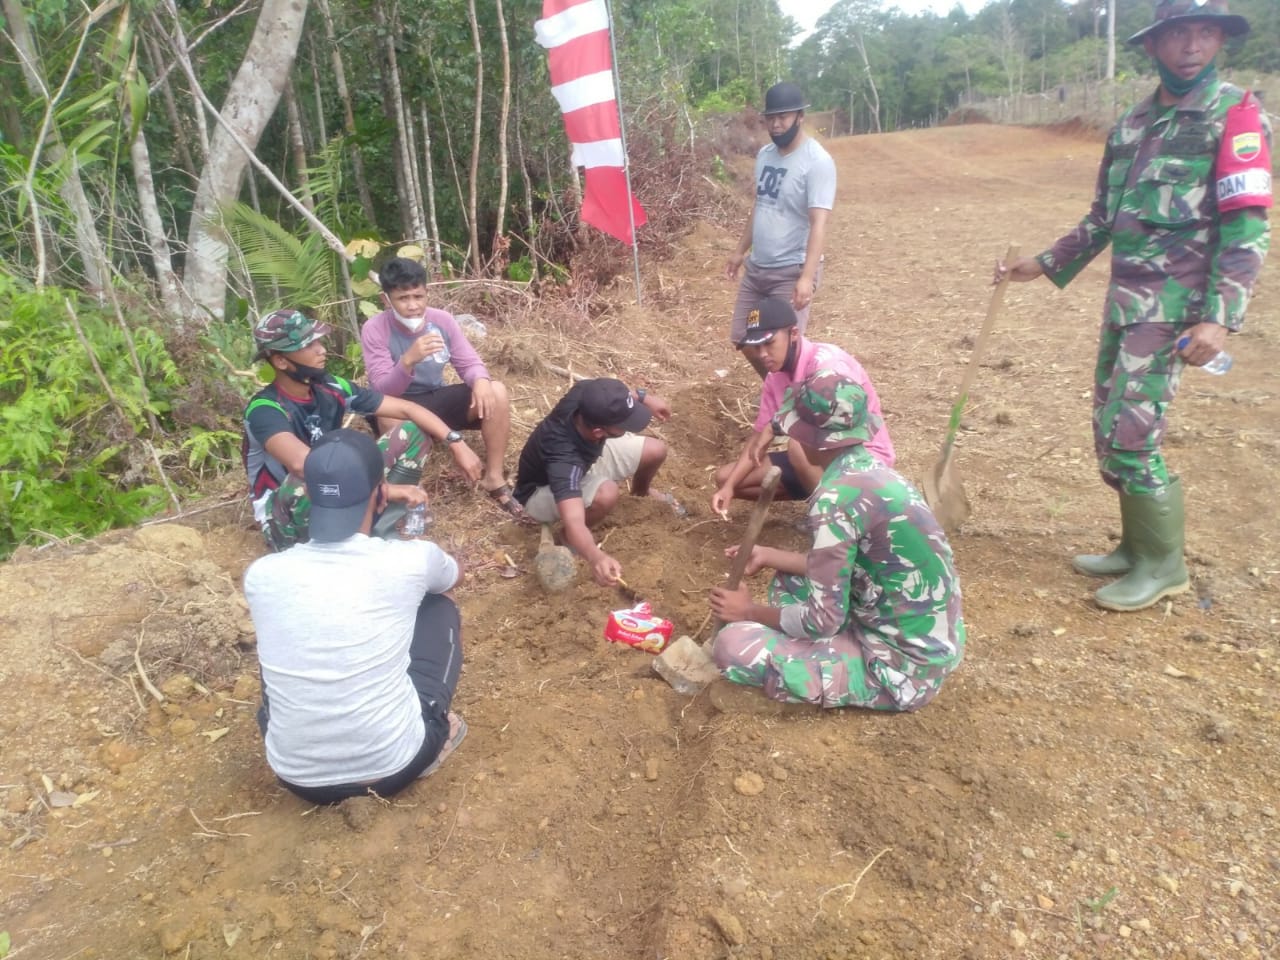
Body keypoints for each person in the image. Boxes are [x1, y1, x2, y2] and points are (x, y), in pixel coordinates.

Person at [995, 0, 1271, 612]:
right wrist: (1041, 263)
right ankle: (1136, 544)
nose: (1192, 46)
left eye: (1205, 33)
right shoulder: (1132, 123)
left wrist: (1219, 316)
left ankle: (1163, 565)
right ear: (1154, 45)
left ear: (1220, 40)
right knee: (1107, 428)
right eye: (1178, 34)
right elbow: (1103, 217)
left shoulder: (1237, 115)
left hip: (1176, 310)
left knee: (1132, 436)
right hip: (1126, 304)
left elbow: (1246, 226)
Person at [709, 370, 965, 711]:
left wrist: (748, 611)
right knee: (789, 580)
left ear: (814, 439)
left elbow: (822, 621)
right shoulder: (871, 472)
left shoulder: (835, 501)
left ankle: (821, 670)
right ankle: (816, 650)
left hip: (899, 669)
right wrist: (769, 555)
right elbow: (853, 568)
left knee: (732, 645)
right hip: (926, 640)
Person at [244, 429, 467, 804]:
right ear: (382, 495)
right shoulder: (409, 559)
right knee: (438, 602)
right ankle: (437, 728)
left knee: (287, 640)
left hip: (297, 780)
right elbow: (451, 576)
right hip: (394, 766)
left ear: (310, 495)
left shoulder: (262, 574)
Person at [243, 309, 483, 550]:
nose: (321, 349)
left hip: (336, 492)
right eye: (308, 345)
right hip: (290, 514)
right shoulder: (265, 409)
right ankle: (315, 542)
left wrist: (455, 442)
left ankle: (379, 528)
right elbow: (303, 465)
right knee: (304, 477)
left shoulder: (331, 387)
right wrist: (386, 491)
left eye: (317, 340)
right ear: (281, 361)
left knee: (411, 432)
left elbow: (409, 409)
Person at [361, 257, 529, 522]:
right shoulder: (375, 329)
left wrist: (480, 381)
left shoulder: (442, 321)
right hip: (399, 404)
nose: (413, 305)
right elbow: (383, 389)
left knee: (496, 390)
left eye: (419, 296)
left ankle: (493, 478)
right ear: (386, 300)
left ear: (427, 293)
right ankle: (409, 491)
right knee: (386, 414)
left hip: (434, 398)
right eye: (403, 298)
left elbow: (469, 362)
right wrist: (407, 361)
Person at [710, 297, 895, 515]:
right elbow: (758, 437)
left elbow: (841, 432)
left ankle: (840, 517)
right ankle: (818, 497)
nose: (762, 355)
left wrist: (774, 426)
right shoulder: (775, 376)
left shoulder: (828, 366)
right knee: (726, 478)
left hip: (861, 459)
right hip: (817, 457)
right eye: (756, 347)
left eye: (769, 343)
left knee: (798, 444)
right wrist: (729, 487)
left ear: (794, 333)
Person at [513, 378, 680, 586]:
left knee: (656, 450)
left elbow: (610, 395)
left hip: (586, 460)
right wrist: (596, 557)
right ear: (599, 432)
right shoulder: (563, 459)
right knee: (607, 493)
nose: (630, 426)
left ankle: (641, 493)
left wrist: (645, 398)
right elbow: (573, 518)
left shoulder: (584, 395)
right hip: (539, 492)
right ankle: (567, 538)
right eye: (624, 424)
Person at [724, 81, 837, 377]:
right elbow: (761, 206)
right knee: (742, 336)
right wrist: (739, 252)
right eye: (771, 119)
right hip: (758, 267)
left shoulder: (817, 162)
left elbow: (819, 223)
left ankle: (795, 405)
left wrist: (806, 277)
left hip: (790, 268)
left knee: (786, 347)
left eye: (783, 117)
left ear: (800, 116)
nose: (776, 125)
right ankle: (780, 390)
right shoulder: (765, 155)